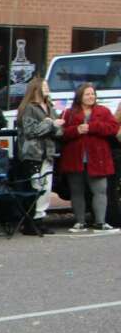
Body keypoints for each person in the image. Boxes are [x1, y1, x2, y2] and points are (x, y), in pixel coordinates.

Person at [58, 83, 119, 232]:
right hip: (75, 157)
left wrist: (93, 127)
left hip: (98, 157)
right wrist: (76, 130)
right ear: (80, 97)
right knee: (77, 191)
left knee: (100, 190)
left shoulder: (103, 111)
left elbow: (113, 128)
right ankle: (80, 222)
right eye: (87, 94)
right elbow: (61, 134)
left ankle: (100, 222)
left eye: (93, 94)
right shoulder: (69, 112)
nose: (91, 97)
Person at [16, 77, 63, 233]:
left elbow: (59, 131)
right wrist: (49, 124)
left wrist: (54, 125)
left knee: (46, 188)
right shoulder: (29, 108)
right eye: (44, 86)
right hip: (32, 153)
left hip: (48, 152)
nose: (47, 89)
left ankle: (40, 219)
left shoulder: (49, 106)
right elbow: (31, 131)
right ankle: (30, 222)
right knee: (36, 187)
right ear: (36, 89)